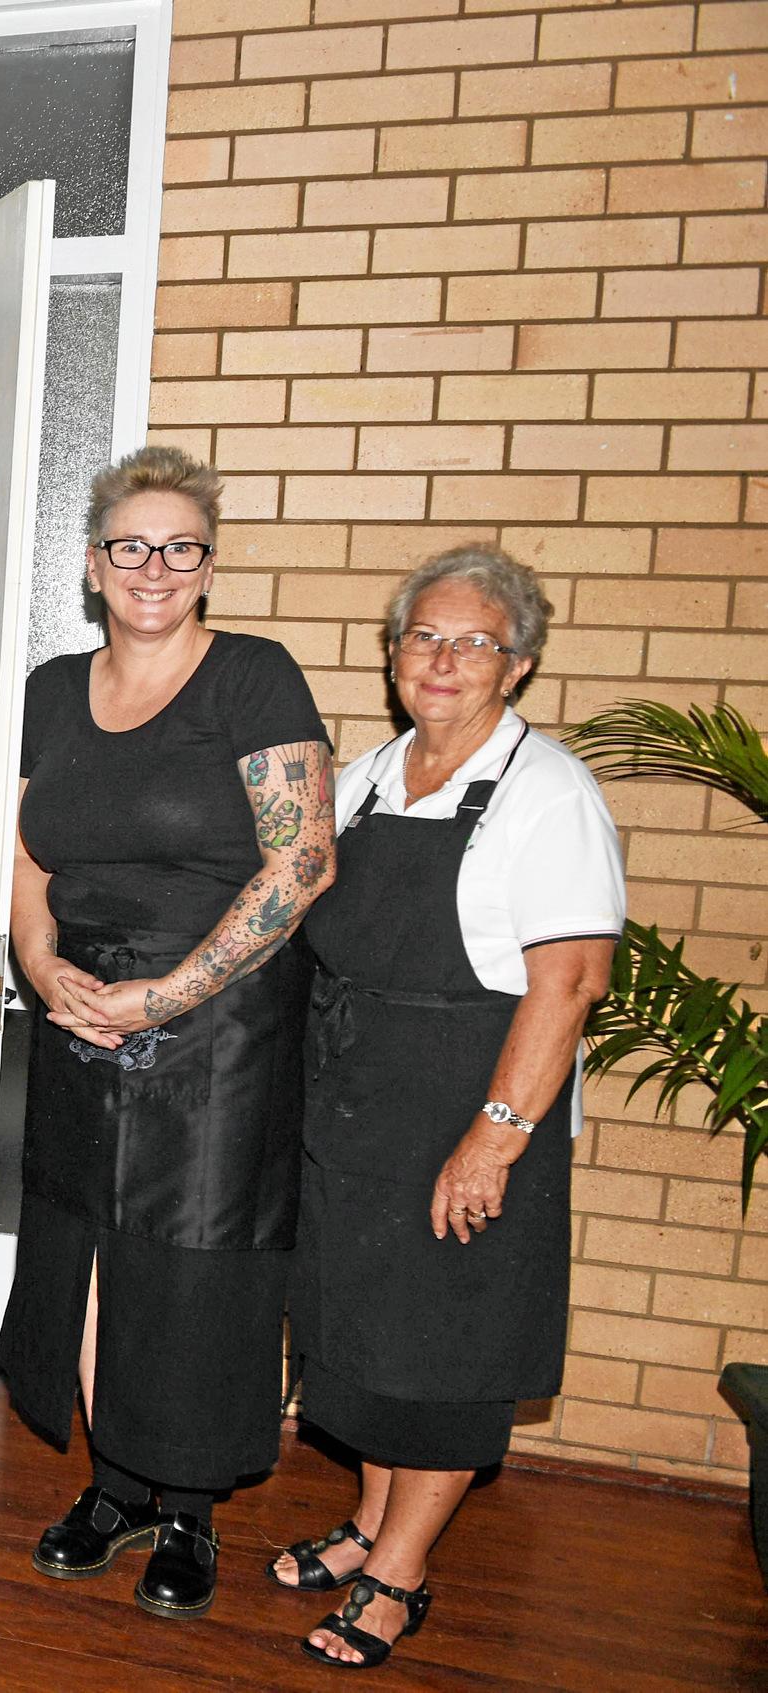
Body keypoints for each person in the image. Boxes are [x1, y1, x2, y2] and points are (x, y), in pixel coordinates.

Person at [0, 445, 335, 1621]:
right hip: (82, 1010)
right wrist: (38, 964)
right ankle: (116, 1484)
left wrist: (174, 991)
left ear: (208, 565)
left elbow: (301, 864)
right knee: (89, 1248)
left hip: (218, 1025)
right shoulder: (50, 686)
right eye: (129, 545)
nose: (153, 566)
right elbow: (32, 857)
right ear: (93, 565)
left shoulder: (253, 676)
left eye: (179, 547)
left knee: (190, 1265)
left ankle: (186, 1503)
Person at [274, 547, 620, 1670]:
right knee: (362, 1334)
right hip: (355, 1100)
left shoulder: (549, 791)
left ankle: (401, 1572)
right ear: (392, 653)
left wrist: (496, 1138)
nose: (443, 659)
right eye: (424, 635)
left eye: (473, 642)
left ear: (515, 665)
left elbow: (568, 981)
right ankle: (371, 1521)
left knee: (443, 1347)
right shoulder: (372, 775)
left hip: (466, 1101)